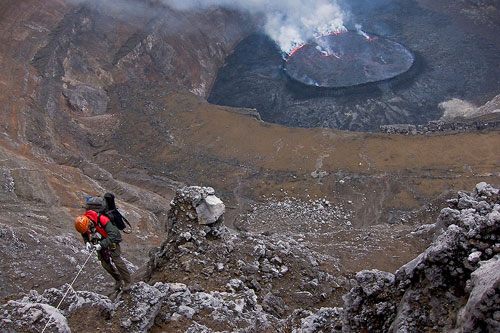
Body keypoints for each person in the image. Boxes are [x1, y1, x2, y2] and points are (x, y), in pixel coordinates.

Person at [74, 210, 131, 292]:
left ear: (88, 223)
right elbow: (84, 234)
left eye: (88, 228)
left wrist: (101, 245)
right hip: (99, 241)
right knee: (105, 264)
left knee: (117, 261)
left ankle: (127, 282)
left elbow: (113, 235)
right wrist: (87, 242)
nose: (87, 229)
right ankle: (118, 279)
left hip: (111, 240)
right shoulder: (84, 225)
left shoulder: (103, 220)